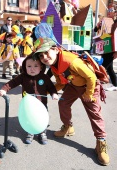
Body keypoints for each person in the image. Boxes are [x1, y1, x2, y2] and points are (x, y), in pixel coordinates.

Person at [33, 37, 110, 166]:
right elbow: (60, 84)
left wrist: (88, 94)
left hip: (89, 86)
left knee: (95, 114)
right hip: (74, 86)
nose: (45, 57)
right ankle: (68, 127)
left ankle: (101, 142)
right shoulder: (54, 66)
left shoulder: (72, 62)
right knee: (63, 103)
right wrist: (45, 92)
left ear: (56, 50)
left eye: (46, 52)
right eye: (41, 56)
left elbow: (91, 77)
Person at [0, 53, 59, 145]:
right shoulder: (23, 77)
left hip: (41, 104)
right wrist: (4, 89)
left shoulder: (45, 77)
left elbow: (51, 87)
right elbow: (12, 83)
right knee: (29, 117)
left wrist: (54, 93)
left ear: (41, 67)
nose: (32, 69)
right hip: (28, 105)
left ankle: (42, 132)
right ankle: (30, 131)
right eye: (29, 66)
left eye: (36, 66)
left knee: (41, 117)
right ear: (25, 67)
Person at [94, 19, 117, 91]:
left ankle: (93, 83)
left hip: (111, 51)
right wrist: (98, 25)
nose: (113, 25)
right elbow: (95, 30)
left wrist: (116, 52)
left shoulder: (115, 30)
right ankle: (115, 85)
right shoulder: (108, 25)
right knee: (110, 70)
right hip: (106, 50)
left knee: (102, 68)